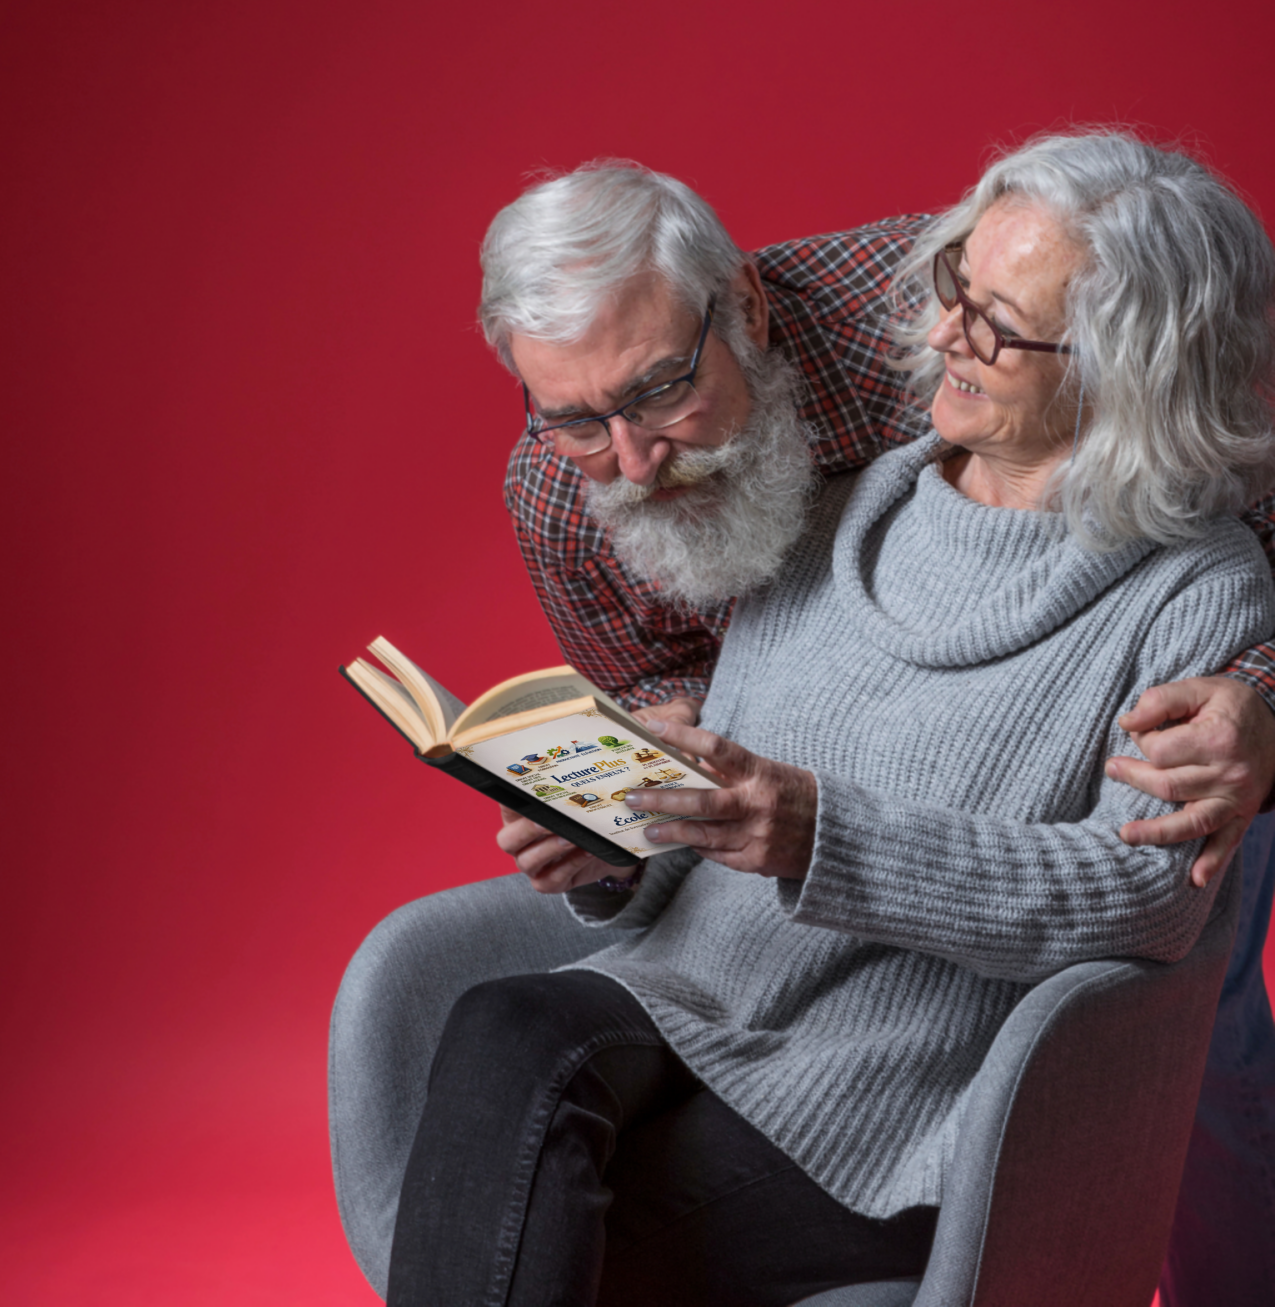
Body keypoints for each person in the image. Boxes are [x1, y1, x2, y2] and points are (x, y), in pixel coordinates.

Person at [375, 133, 1275, 1303]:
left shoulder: (1194, 589)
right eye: (954, 287)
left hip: (887, 1094)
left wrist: (1263, 694)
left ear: (1126, 364)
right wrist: (612, 834)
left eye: (992, 321)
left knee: (1209, 1065)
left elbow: (1149, 900)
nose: (941, 329)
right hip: (703, 1004)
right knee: (499, 1027)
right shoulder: (829, 501)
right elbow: (707, 781)